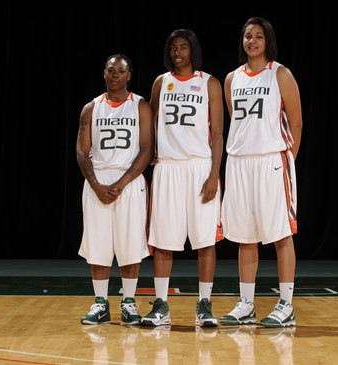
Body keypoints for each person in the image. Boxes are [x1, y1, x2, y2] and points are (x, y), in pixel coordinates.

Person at [220, 17, 303, 328]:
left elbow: (296, 123)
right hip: (239, 161)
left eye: (257, 36)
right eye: (247, 36)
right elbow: (237, 122)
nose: (251, 41)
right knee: (245, 236)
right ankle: (246, 303)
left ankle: (286, 304)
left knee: (280, 234)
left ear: (268, 40)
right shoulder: (231, 79)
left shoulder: (279, 74)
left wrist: (286, 161)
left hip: (271, 160)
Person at [141, 29, 224, 327]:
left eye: (184, 47)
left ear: (193, 51)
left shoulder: (209, 83)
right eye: (174, 47)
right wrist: (149, 152)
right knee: (163, 240)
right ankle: (161, 305)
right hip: (168, 167)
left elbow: (218, 134)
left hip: (200, 167)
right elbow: (150, 122)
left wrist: (214, 174)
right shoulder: (161, 83)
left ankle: (204, 305)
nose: (178, 52)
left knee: (205, 240)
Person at [76, 53, 154, 326]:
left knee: (130, 244)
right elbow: (81, 151)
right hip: (98, 182)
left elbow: (147, 149)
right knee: (98, 245)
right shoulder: (91, 108)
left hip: (129, 182)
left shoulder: (141, 106)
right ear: (104, 73)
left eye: (121, 70)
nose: (115, 75)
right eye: (111, 70)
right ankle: (100, 303)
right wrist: (96, 185)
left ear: (129, 74)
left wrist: (122, 182)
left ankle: (129, 303)